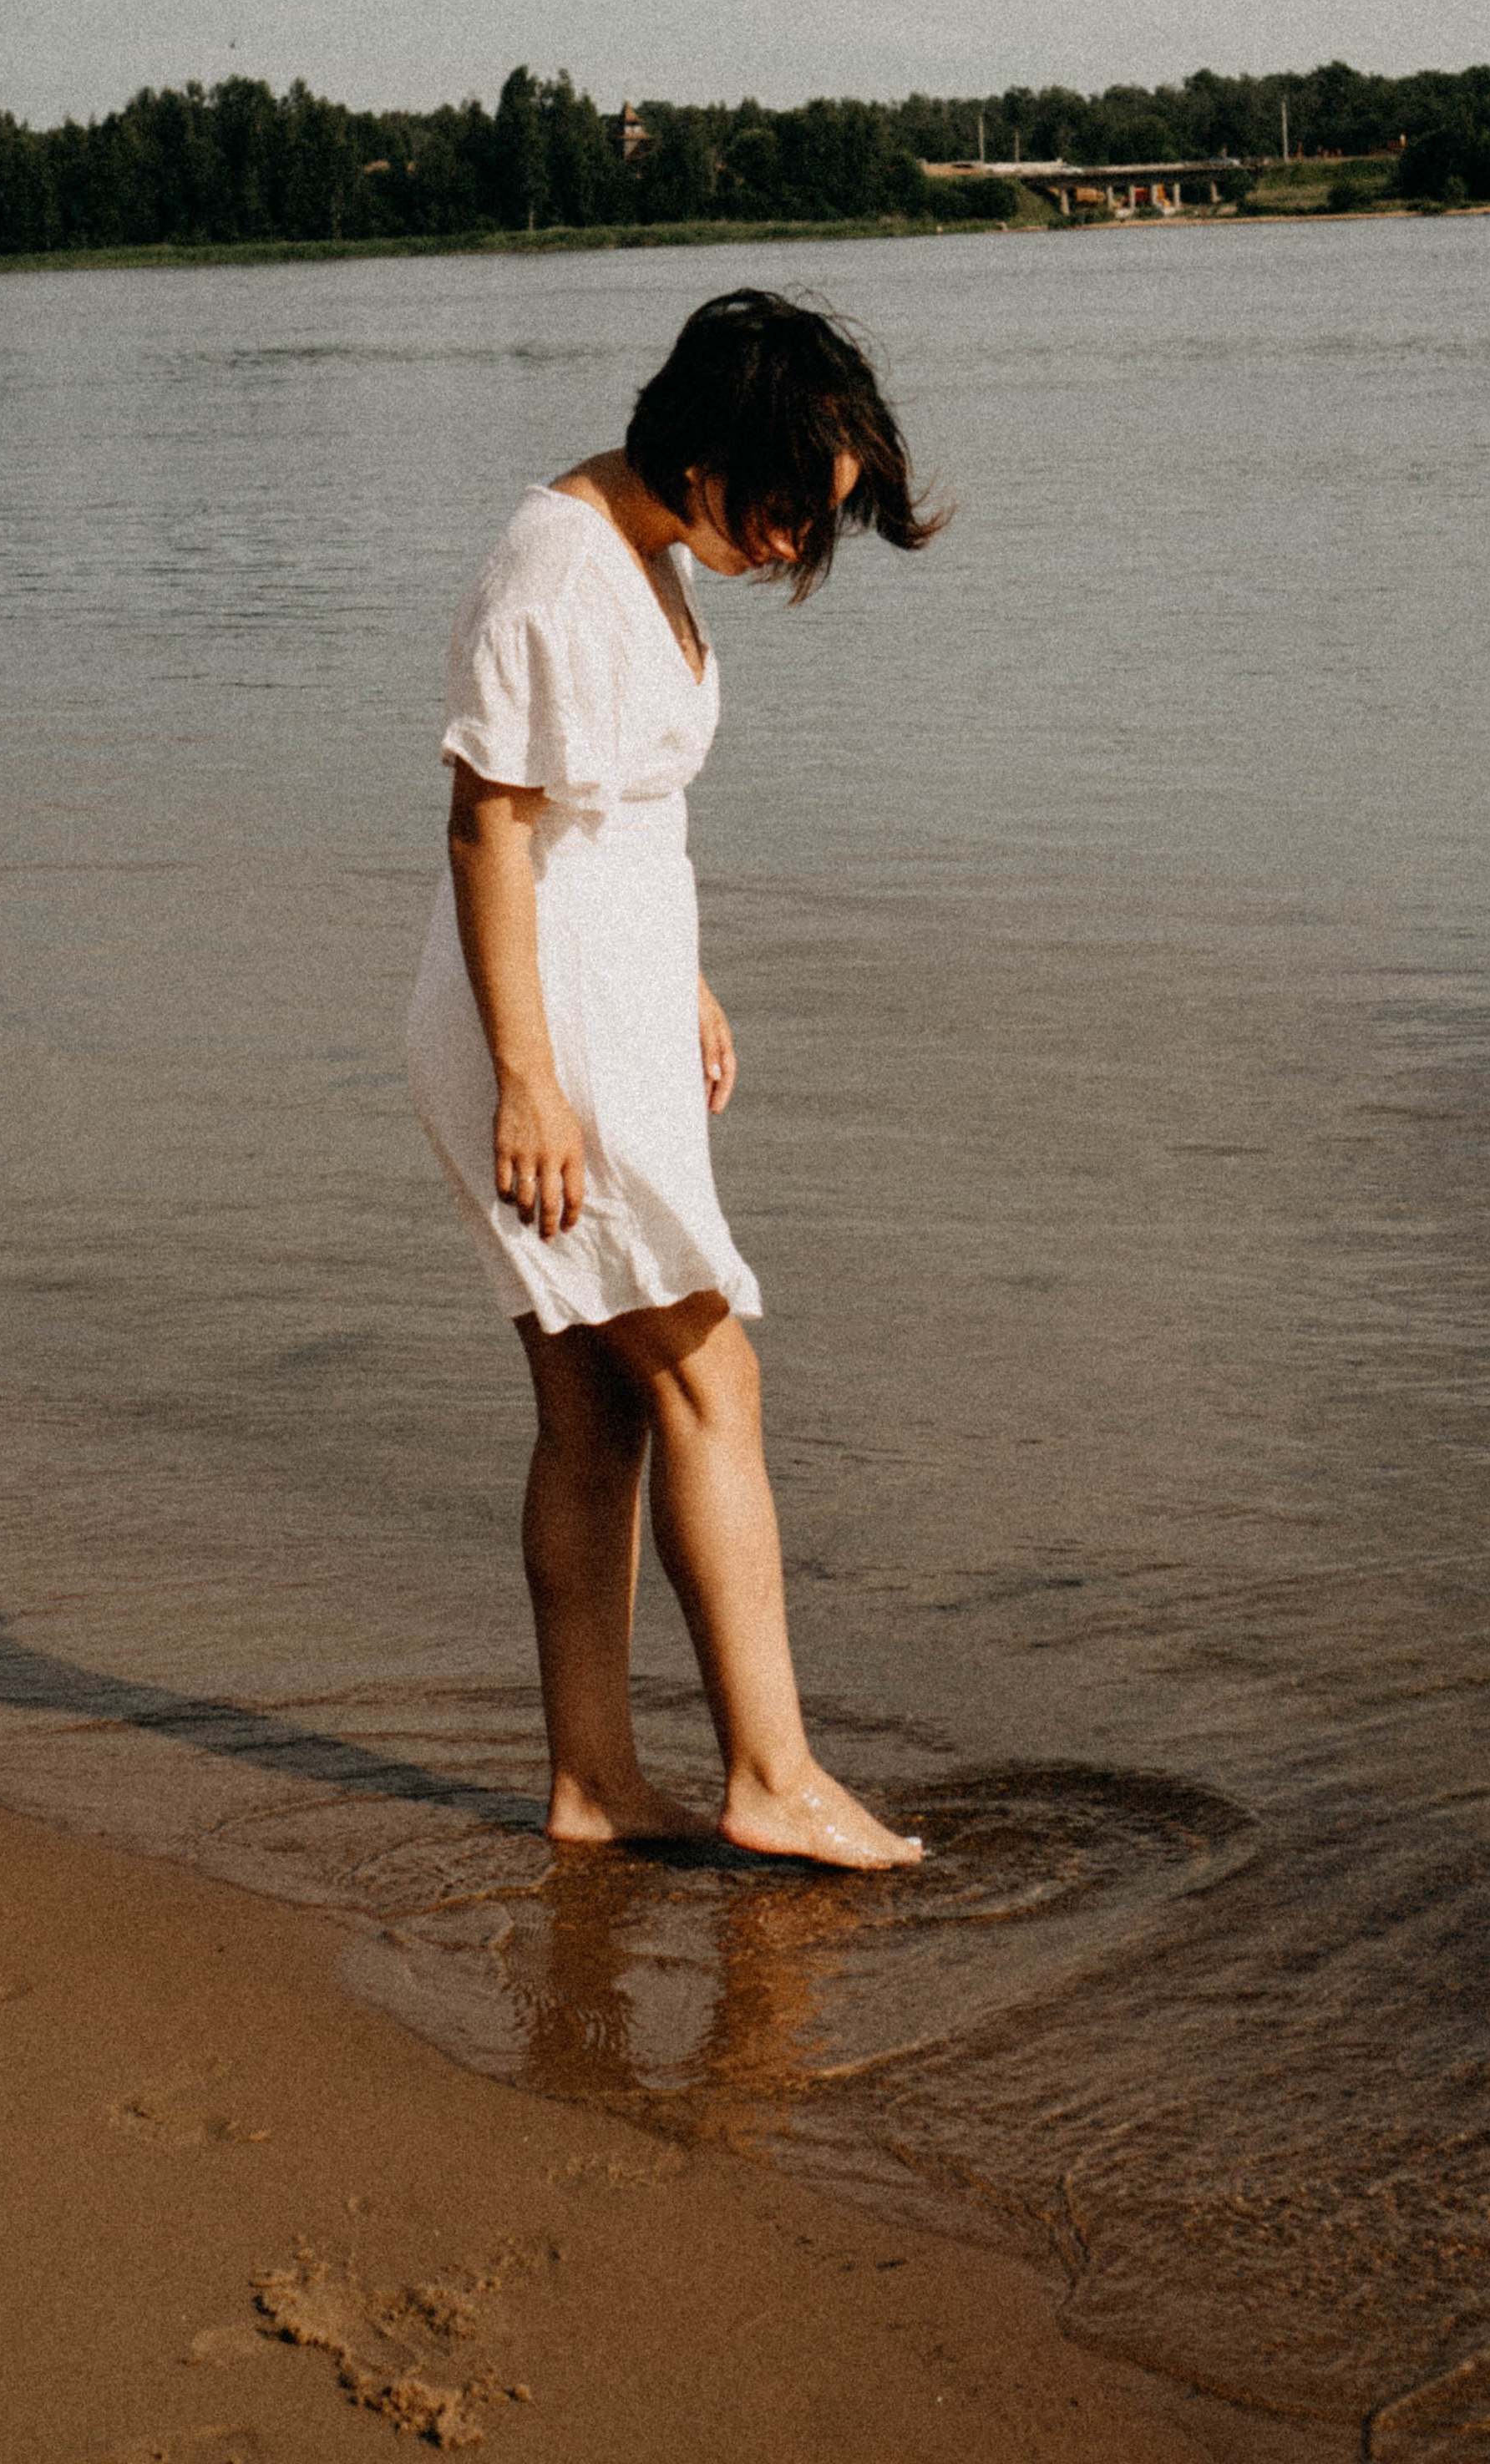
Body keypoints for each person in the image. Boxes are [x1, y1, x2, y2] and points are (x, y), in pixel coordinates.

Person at [408, 287, 944, 1869]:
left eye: (816, 520)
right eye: (783, 507)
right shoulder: (552, 569)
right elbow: (489, 829)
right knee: (714, 1376)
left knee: (597, 1413)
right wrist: (529, 1082)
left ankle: (592, 1786)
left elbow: (617, 810)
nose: (793, 546)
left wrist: (683, 980)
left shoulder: (644, 551)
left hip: (601, 1007)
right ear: (703, 451)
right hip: (543, 1031)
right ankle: (772, 1775)